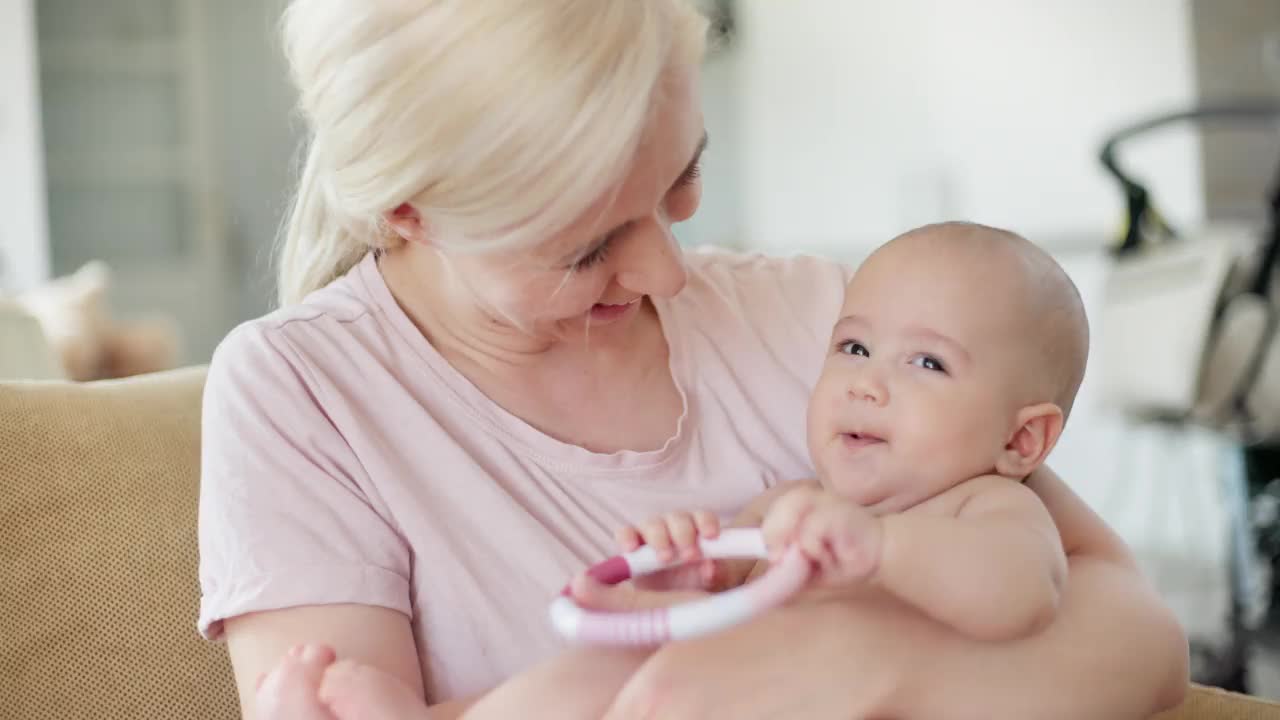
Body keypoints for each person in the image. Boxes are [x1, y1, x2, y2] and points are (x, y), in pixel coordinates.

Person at [196, 2, 1190, 719]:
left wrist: (870, 667)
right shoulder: (302, 397)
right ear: (407, 212)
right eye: (586, 246)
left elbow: (1133, 628)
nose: (668, 272)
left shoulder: (832, 327)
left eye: (681, 179)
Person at [577, 223, 1082, 650]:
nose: (865, 384)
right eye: (855, 347)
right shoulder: (788, 506)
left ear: (1021, 440)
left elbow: (1024, 594)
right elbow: (724, 624)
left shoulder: (987, 508)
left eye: (928, 362)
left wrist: (881, 547)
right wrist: (687, 584)